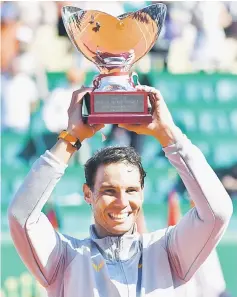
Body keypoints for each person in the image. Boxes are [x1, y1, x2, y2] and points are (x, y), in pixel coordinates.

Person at [8, 85, 233, 297]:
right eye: (109, 191)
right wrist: (71, 138)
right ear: (88, 194)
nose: (122, 201)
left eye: (131, 190)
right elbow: (22, 216)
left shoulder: (167, 251)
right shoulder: (65, 258)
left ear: (142, 193)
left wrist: (169, 134)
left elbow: (217, 212)